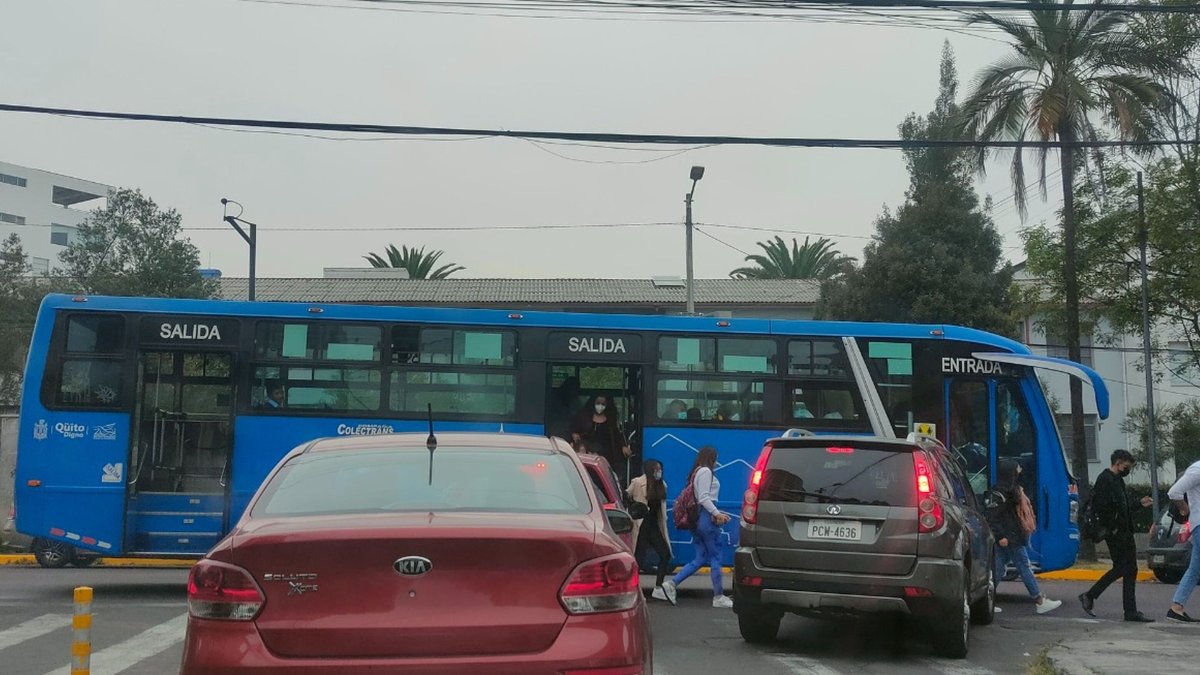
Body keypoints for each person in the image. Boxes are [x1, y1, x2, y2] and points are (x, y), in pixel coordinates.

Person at [1079, 449, 1155, 622]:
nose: (1128, 469)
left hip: (1124, 532)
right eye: (1127, 465)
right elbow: (1103, 507)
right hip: (1116, 533)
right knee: (1122, 567)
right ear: (1119, 462)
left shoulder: (1118, 481)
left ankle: (1130, 611)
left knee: (1130, 569)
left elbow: (1123, 506)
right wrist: (1112, 528)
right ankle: (1090, 595)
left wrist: (1139, 504)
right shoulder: (1105, 480)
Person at [661, 446, 733, 609]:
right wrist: (716, 514)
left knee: (700, 558)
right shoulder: (706, 472)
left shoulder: (697, 472)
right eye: (715, 458)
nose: (717, 462)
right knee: (716, 556)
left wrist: (718, 512)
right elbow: (704, 498)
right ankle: (718, 596)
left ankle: (672, 584)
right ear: (711, 458)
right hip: (706, 521)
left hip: (698, 519)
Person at [986, 460, 1062, 614]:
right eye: (1016, 471)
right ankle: (1039, 600)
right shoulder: (999, 494)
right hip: (1009, 537)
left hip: (1011, 537)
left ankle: (986, 599)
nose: (1019, 473)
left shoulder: (1009, 491)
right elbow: (991, 517)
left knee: (999, 569)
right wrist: (1000, 536)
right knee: (1023, 566)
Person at [627, 459, 673, 602]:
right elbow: (626, 496)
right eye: (656, 469)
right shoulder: (637, 482)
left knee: (665, 554)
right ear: (649, 469)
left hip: (654, 525)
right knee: (638, 558)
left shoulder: (662, 485)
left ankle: (658, 587)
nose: (658, 472)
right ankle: (634, 590)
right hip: (640, 525)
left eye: (660, 469)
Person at [1165, 458, 1200, 622]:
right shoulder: (1197, 469)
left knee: (1195, 569)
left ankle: (1176, 608)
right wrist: (1184, 509)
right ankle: (1176, 608)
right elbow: (1174, 492)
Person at [570, 395, 631, 470]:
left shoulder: (610, 419)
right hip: (588, 452)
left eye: (603, 404)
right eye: (598, 403)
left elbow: (616, 435)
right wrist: (574, 435)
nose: (600, 406)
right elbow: (574, 430)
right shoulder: (583, 417)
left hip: (606, 455)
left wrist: (623, 446)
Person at [547, 376, 581, 441]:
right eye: (573, 388)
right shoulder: (555, 399)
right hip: (556, 433)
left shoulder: (575, 401)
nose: (575, 391)